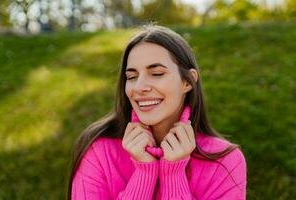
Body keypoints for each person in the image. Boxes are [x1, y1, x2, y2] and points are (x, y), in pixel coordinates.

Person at [68, 25, 247, 200]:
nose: (139, 87)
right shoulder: (98, 151)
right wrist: (144, 173)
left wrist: (174, 175)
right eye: (131, 77)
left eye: (157, 73)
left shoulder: (226, 162)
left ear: (188, 82)